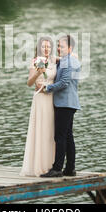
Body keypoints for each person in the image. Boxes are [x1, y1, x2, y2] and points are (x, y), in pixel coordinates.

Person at [38, 35, 81, 177]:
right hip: (69, 103)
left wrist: (47, 88)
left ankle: (57, 169)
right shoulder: (69, 60)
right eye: (58, 46)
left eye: (61, 46)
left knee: (60, 136)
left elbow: (64, 83)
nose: (58, 48)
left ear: (69, 48)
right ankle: (70, 169)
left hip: (65, 103)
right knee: (68, 136)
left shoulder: (68, 62)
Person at [19, 37, 57, 177]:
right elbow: (29, 83)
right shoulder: (35, 61)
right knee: (40, 129)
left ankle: (50, 165)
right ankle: (37, 166)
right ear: (39, 48)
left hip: (51, 99)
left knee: (50, 131)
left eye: (48, 46)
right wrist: (38, 73)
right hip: (40, 99)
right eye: (43, 47)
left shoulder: (53, 60)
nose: (46, 49)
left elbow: (68, 57)